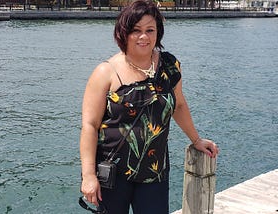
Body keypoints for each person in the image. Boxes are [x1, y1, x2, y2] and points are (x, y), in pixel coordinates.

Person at [79, 0, 219, 213]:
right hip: (114, 174)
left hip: (155, 171)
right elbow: (90, 125)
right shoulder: (106, 72)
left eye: (149, 30)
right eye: (136, 30)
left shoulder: (169, 66)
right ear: (123, 33)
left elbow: (178, 105)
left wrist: (196, 140)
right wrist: (88, 175)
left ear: (158, 33)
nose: (143, 36)